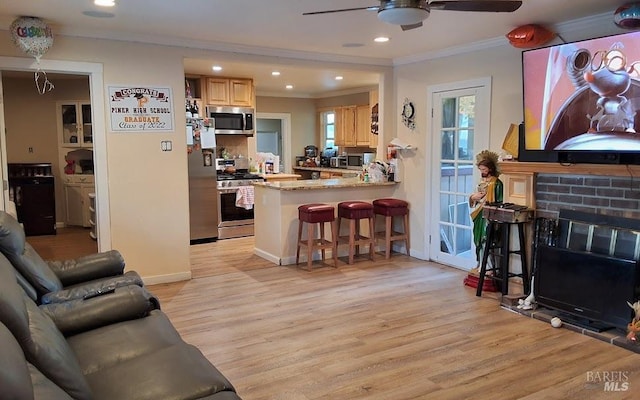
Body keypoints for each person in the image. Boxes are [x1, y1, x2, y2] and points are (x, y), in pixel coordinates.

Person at [469, 150, 503, 266]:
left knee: (486, 239)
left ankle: (488, 266)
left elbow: (499, 201)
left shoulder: (496, 183)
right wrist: (473, 197)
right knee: (478, 239)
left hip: (488, 214)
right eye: (481, 170)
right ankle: (479, 264)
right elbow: (474, 196)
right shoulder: (481, 182)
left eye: (484, 170)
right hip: (478, 213)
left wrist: (488, 203)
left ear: (491, 169)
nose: (482, 172)